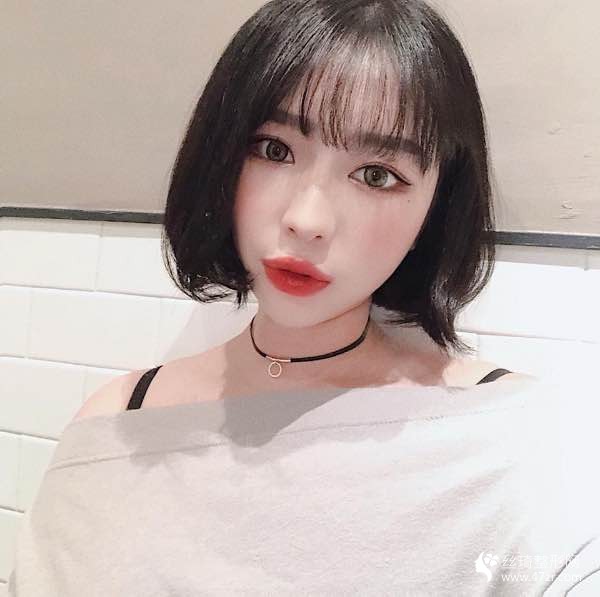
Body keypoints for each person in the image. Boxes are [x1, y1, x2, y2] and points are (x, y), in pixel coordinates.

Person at [8, 0, 600, 595]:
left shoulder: (515, 435)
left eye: (376, 175)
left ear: (437, 206)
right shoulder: (119, 421)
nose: (307, 220)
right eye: (274, 149)